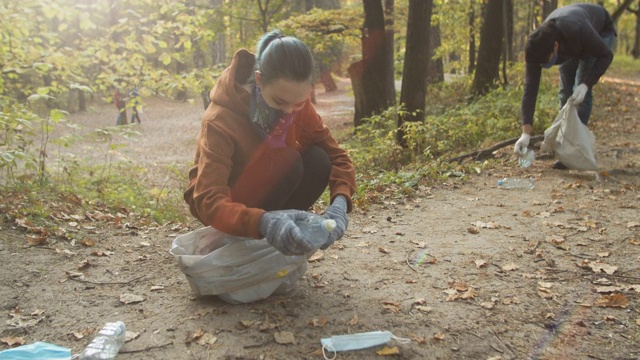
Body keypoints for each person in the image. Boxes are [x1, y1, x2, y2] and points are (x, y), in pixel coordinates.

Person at [184, 30, 356, 256]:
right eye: (279, 101)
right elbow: (208, 198)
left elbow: (338, 157)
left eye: (299, 103)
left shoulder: (296, 106)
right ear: (258, 80)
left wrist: (340, 204)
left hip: (270, 186)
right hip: (225, 200)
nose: (288, 112)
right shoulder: (220, 119)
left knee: (318, 159)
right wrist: (264, 221)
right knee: (288, 161)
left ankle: (275, 234)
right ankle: (242, 230)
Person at [514, 3, 616, 169]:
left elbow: (606, 55)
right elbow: (530, 89)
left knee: (580, 93)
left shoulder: (578, 29)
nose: (544, 65)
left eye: (546, 61)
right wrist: (525, 133)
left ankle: (574, 150)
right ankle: (565, 148)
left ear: (555, 46)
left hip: (599, 31)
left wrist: (585, 85)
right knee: (565, 93)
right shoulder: (536, 47)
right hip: (570, 44)